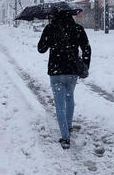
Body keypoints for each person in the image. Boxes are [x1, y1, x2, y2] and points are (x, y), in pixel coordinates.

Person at [37, 10, 91, 149]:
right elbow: (86, 48)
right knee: (69, 97)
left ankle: (65, 137)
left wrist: (49, 36)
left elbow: (41, 49)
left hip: (56, 71)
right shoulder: (78, 28)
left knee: (59, 104)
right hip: (72, 71)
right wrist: (85, 66)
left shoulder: (50, 28)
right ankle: (69, 126)